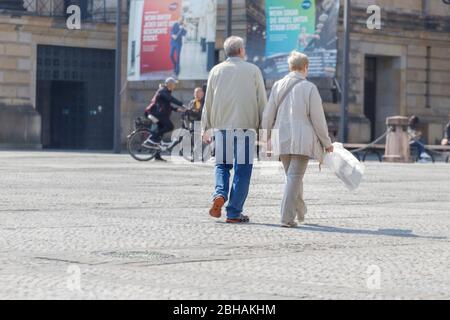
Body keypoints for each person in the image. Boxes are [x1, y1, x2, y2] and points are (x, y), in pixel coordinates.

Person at [261, 51, 333, 228]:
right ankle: (286, 217)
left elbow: (268, 114)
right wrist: (327, 142)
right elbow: (318, 119)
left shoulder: (278, 85)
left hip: (281, 137)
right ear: (305, 67)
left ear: (290, 67)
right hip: (302, 138)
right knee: (294, 177)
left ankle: (300, 211)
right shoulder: (309, 88)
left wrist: (265, 137)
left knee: (292, 177)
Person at [202, 36, 267, 224]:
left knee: (222, 165)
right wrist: (265, 129)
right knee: (243, 170)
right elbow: (262, 101)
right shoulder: (253, 70)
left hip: (222, 128)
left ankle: (220, 194)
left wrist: (205, 127)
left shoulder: (216, 71)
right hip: (246, 128)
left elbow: (208, 102)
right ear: (241, 51)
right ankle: (233, 212)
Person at [144, 78, 186, 160]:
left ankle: (157, 155)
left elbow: (167, 105)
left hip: (160, 114)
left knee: (160, 133)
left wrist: (177, 109)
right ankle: (151, 139)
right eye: (174, 84)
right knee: (170, 126)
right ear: (169, 84)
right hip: (157, 114)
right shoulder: (163, 91)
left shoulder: (166, 92)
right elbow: (171, 99)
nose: (175, 86)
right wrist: (182, 104)